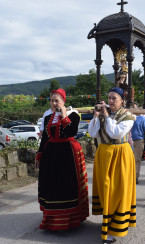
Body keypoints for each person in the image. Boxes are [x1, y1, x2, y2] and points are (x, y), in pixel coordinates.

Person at [34, 88, 89, 231]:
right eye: (51, 100)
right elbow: (45, 138)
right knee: (51, 186)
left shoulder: (74, 115)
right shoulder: (47, 117)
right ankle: (50, 220)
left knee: (66, 186)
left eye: (56, 100)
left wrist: (64, 115)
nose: (53, 103)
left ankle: (70, 220)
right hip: (50, 155)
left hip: (67, 155)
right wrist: (39, 155)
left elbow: (72, 132)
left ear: (63, 101)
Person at [88, 87, 136, 244]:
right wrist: (96, 117)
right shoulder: (103, 115)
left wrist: (107, 116)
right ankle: (107, 223)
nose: (110, 101)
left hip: (120, 155)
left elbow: (116, 133)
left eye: (114, 98)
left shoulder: (128, 116)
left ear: (122, 100)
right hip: (104, 154)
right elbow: (93, 133)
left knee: (117, 191)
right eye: (109, 98)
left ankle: (114, 227)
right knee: (105, 189)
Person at [131, 106, 145, 184]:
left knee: (137, 159)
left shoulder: (142, 118)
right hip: (128, 141)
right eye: (133, 108)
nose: (135, 109)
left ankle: (135, 176)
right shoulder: (128, 117)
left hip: (139, 140)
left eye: (136, 108)